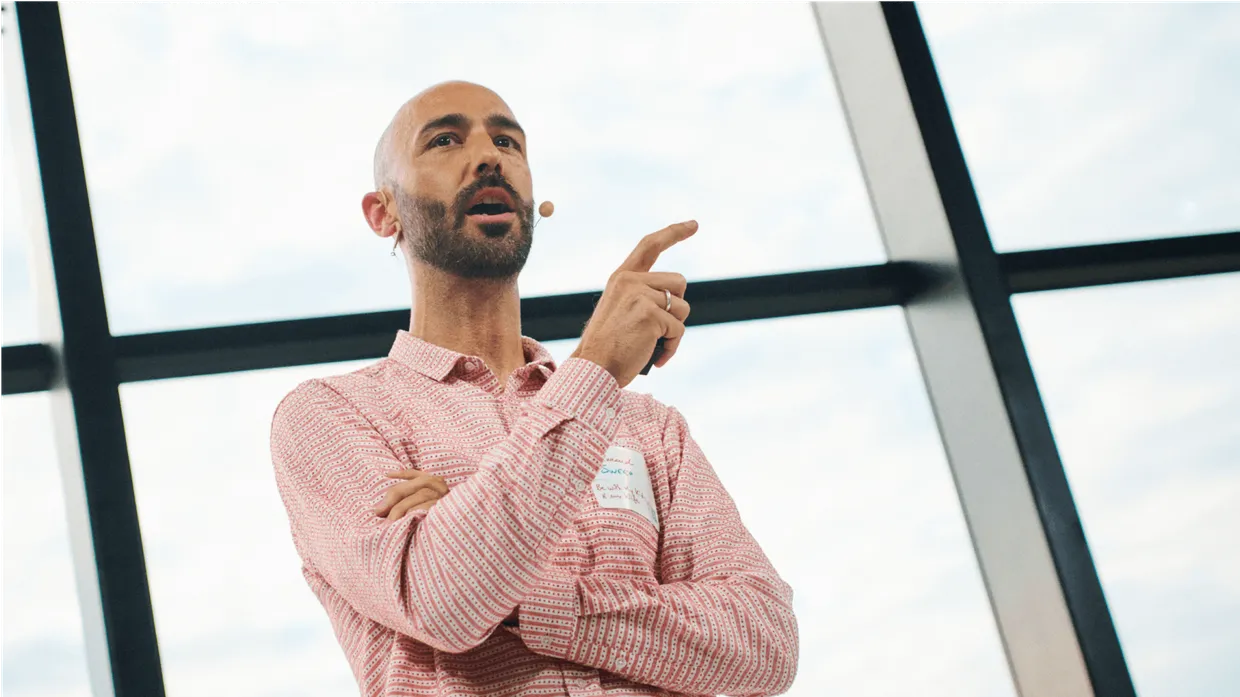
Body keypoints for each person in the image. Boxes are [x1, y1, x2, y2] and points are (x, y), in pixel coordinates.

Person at [269, 81, 798, 697]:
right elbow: (442, 597)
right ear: (383, 213)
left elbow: (765, 646)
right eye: (444, 140)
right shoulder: (330, 417)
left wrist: (506, 582)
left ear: (533, 199)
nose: (488, 156)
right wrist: (595, 367)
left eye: (506, 141)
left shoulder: (651, 429)